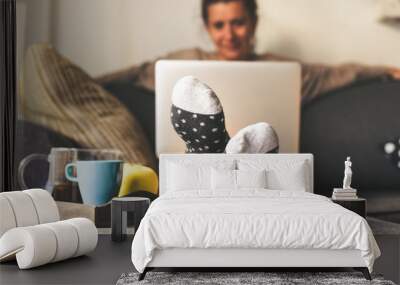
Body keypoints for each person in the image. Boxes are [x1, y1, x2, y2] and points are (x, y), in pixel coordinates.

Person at [98, 0, 400, 105]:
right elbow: (136, 73)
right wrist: (89, 82)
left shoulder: (282, 69)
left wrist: (383, 70)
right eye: (219, 25)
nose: (229, 35)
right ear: (207, 27)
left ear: (253, 23)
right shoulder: (185, 60)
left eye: (238, 23)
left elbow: (335, 73)